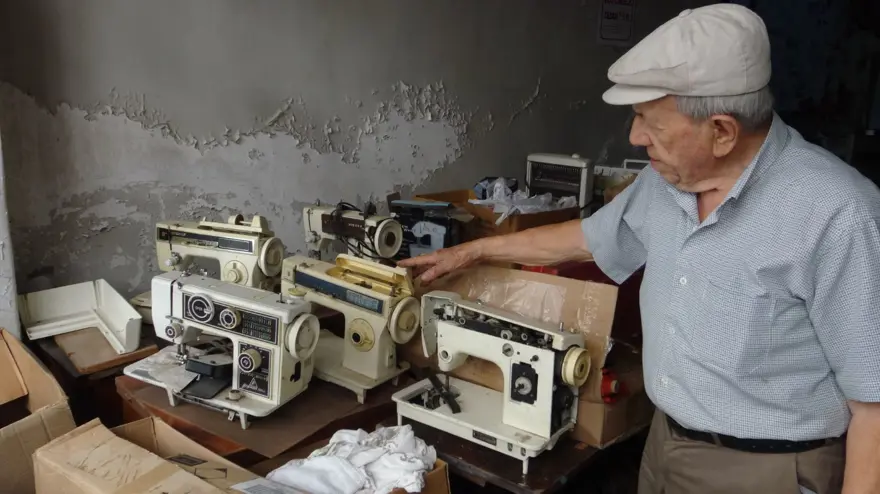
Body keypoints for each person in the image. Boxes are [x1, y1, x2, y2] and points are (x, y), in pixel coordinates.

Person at [399, 4, 880, 494]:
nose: (634, 136)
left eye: (651, 122)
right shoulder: (665, 183)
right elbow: (583, 239)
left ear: (721, 131)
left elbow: (874, 406)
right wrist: (474, 253)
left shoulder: (839, 213)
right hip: (663, 446)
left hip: (766, 471)